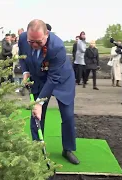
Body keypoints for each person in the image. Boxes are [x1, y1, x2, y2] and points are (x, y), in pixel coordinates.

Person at [18, 19, 79, 165]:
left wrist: (39, 102)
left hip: (61, 80)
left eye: (38, 42)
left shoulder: (57, 46)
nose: (34, 45)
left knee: (68, 115)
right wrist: (26, 72)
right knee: (37, 116)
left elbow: (53, 78)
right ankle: (37, 149)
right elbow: (22, 56)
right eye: (31, 41)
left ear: (47, 34)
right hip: (39, 78)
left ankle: (68, 149)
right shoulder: (22, 38)